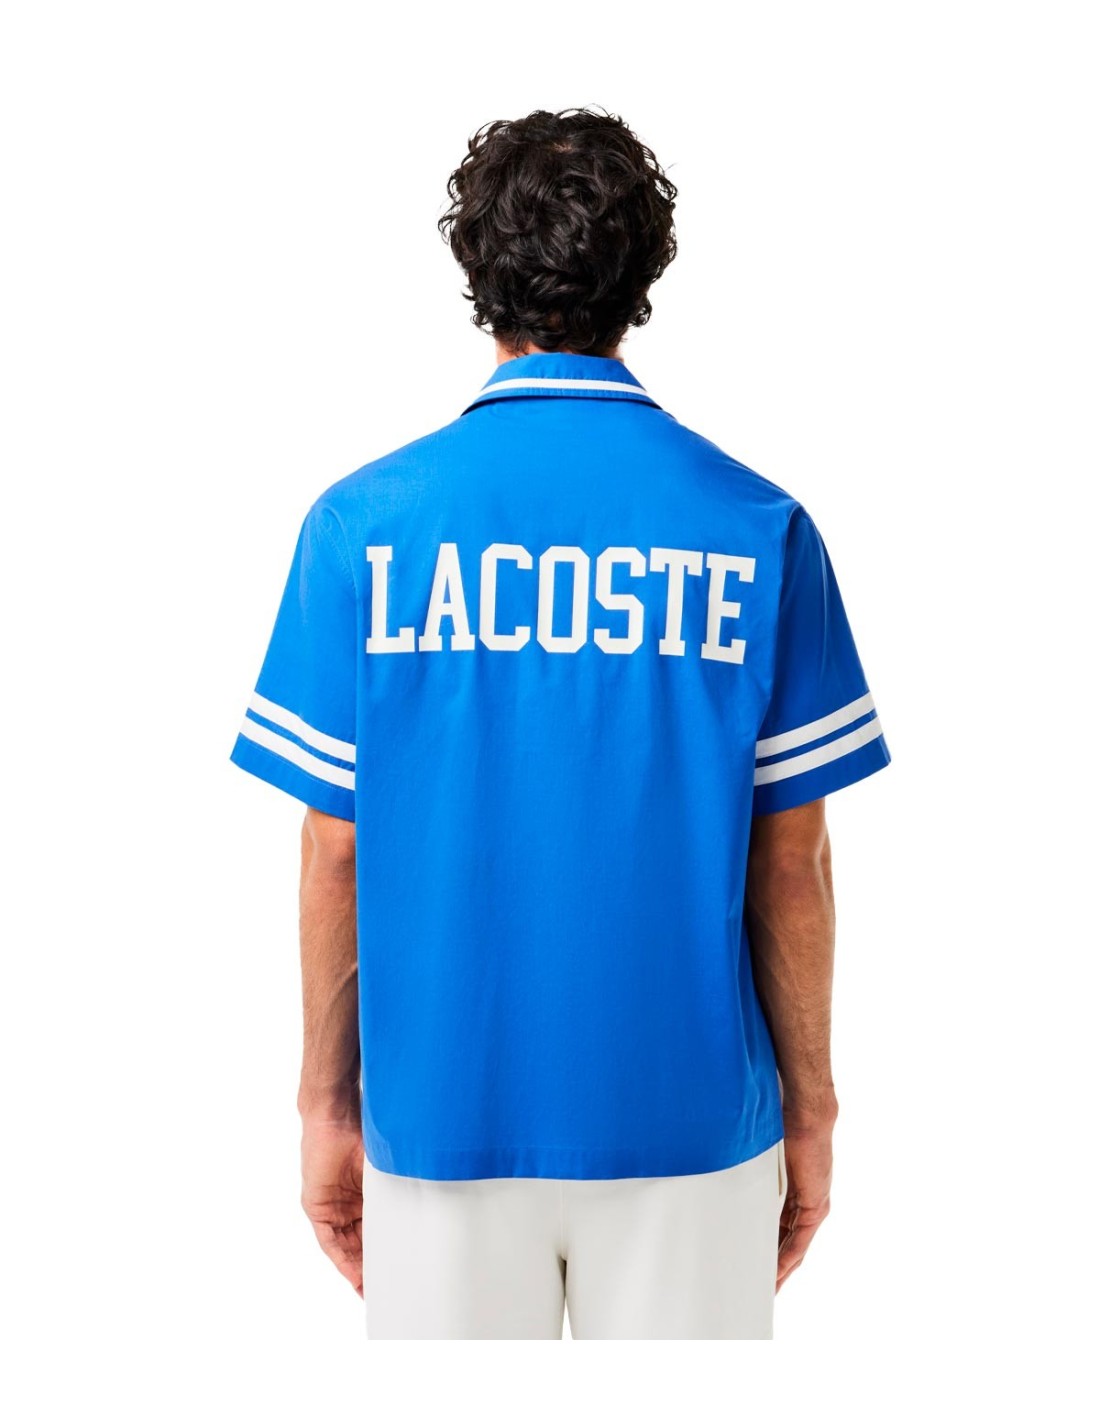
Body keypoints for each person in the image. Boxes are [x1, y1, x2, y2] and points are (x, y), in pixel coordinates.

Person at [228, 105, 891, 1340]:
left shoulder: (360, 528)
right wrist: (813, 1110)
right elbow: (789, 861)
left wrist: (324, 1106)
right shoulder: (758, 527)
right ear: (642, 279)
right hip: (692, 1120)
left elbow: (335, 849)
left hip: (439, 1118)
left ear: (476, 275)